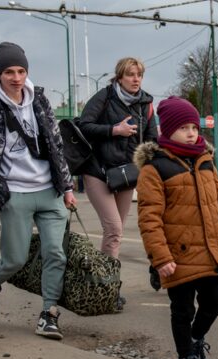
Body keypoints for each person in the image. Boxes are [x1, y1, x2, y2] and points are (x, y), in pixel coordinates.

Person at [135, 96, 218, 359]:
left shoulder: (205, 162)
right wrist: (160, 257)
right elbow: (149, 219)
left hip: (208, 251)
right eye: (184, 128)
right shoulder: (155, 169)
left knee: (217, 301)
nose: (192, 132)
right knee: (182, 309)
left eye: (194, 126)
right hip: (176, 255)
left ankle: (195, 339)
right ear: (167, 131)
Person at [0, 42, 77, 340]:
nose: (16, 78)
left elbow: (55, 144)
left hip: (49, 190)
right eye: (9, 72)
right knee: (14, 259)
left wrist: (66, 186)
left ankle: (48, 314)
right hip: (15, 193)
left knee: (56, 253)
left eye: (21, 71)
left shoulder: (39, 99)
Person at [78, 57, 158, 308]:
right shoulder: (104, 98)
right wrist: (115, 130)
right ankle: (107, 290)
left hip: (126, 175)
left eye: (139, 75)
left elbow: (153, 139)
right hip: (98, 172)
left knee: (116, 233)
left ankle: (103, 284)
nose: (136, 79)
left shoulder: (146, 103)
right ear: (119, 77)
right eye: (131, 75)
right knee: (113, 229)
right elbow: (84, 126)